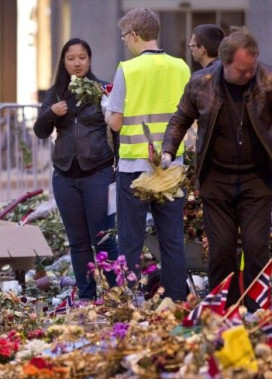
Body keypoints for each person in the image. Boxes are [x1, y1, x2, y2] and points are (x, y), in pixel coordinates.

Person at [162, 28, 272, 307]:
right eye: (242, 70)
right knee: (221, 250)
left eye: (252, 67)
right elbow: (180, 119)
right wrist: (167, 151)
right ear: (224, 63)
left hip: (257, 180)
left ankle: (256, 312)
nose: (249, 74)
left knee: (257, 247)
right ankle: (223, 309)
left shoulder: (268, 80)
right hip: (217, 180)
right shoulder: (201, 83)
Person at [104, 8, 190, 301]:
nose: (125, 42)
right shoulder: (180, 67)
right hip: (171, 167)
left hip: (133, 169)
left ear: (135, 35)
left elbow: (115, 122)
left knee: (130, 240)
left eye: (125, 37)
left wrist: (107, 110)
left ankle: (127, 300)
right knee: (172, 240)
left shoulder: (127, 69)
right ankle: (176, 300)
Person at [33, 38, 118, 300]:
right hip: (65, 176)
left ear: (89, 59)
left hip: (99, 173)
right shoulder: (56, 92)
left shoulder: (103, 89)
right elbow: (40, 131)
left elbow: (118, 128)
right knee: (78, 242)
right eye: (71, 58)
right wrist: (51, 113)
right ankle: (86, 295)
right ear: (64, 61)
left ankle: (117, 293)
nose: (77, 62)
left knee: (103, 238)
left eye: (82, 57)